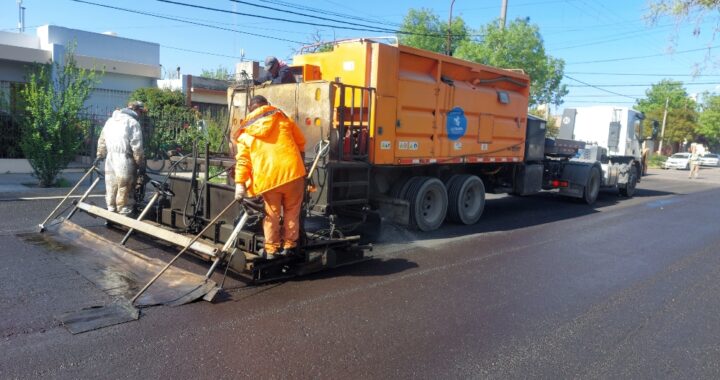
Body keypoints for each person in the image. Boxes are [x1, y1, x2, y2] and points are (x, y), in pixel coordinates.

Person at [234, 95, 306, 260]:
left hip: (268, 178)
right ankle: (289, 246)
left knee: (271, 213)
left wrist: (240, 184)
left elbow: (243, 161)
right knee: (292, 211)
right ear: (267, 106)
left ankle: (271, 250)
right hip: (293, 173)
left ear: (251, 110)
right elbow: (301, 142)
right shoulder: (283, 119)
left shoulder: (246, 133)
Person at [96, 101, 145, 215]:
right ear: (137, 110)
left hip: (110, 158)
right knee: (125, 185)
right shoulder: (132, 123)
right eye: (141, 112)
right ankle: (124, 211)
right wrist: (139, 161)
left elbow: (102, 139)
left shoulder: (110, 121)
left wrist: (100, 154)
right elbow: (136, 144)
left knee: (111, 183)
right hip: (124, 159)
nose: (141, 115)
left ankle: (111, 208)